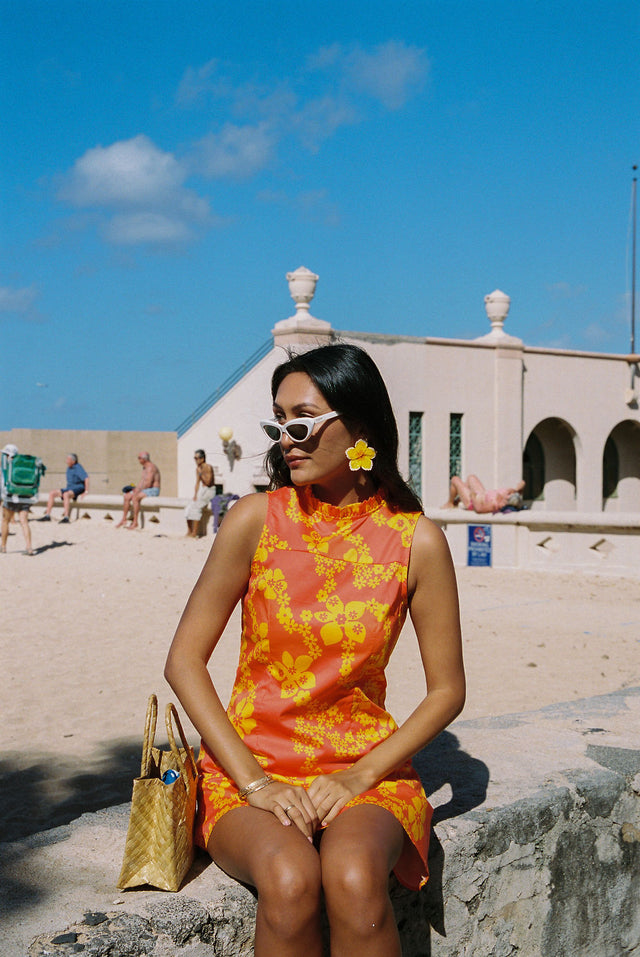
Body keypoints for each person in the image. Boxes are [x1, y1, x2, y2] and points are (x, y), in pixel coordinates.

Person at [165, 343, 465, 957]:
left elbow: (447, 691)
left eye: (301, 422)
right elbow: (183, 661)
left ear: (359, 428)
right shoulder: (254, 520)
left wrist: (361, 775)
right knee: (290, 878)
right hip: (248, 769)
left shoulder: (416, 542)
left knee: (355, 881)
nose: (286, 440)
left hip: (363, 773)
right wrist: (255, 785)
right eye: (278, 424)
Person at [1, 444, 36, 555]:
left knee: (6, 521)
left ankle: (3, 547)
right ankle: (29, 547)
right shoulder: (23, 464)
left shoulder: (6, 465)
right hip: (25, 495)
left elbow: (3, 483)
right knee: (24, 522)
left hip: (11, 496)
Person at [116, 452, 161, 529]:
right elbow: (142, 482)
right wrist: (136, 489)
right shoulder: (144, 467)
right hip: (145, 489)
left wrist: (137, 491)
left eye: (139, 458)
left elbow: (148, 483)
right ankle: (124, 519)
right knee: (127, 496)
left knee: (135, 498)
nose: (138, 460)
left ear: (144, 459)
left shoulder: (151, 467)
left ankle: (135, 522)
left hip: (153, 490)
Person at [40, 453, 89, 523]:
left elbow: (86, 478)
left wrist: (86, 491)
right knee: (52, 493)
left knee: (66, 495)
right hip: (69, 488)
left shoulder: (78, 467)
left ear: (73, 461)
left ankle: (66, 517)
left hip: (78, 487)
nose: (66, 461)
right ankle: (47, 515)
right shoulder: (68, 468)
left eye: (68, 459)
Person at [442, 474, 525, 514]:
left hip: (472, 502)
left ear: (507, 500)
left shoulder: (495, 504)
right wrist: (517, 489)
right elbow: (522, 483)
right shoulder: (507, 493)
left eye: (509, 495)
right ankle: (460, 499)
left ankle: (450, 503)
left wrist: (472, 496)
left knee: (455, 479)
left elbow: (479, 509)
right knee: (471, 478)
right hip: (481, 494)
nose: (509, 493)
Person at [185, 449, 216, 538]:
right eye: (194, 458)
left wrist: (200, 473)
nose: (196, 460)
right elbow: (197, 483)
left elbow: (208, 482)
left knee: (196, 508)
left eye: (197, 458)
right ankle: (189, 532)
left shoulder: (208, 467)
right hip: (202, 491)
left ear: (202, 458)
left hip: (209, 490)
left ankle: (195, 533)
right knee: (188, 508)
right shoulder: (198, 469)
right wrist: (195, 495)